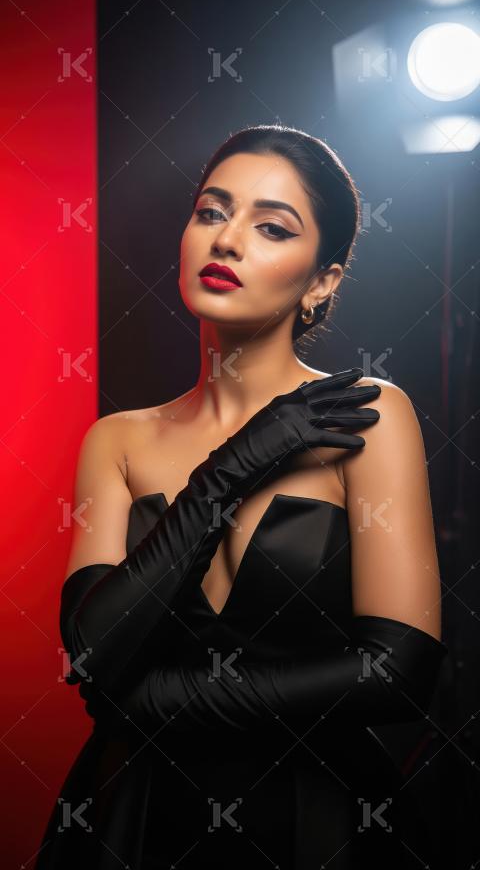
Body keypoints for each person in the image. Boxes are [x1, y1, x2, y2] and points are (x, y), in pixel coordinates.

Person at [34, 124, 448, 870]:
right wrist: (242, 460)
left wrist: (149, 706)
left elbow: (398, 672)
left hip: (319, 824)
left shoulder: (367, 414)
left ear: (322, 279)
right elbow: (92, 648)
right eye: (211, 212)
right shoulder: (117, 440)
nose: (227, 241)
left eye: (271, 227)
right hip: (130, 819)